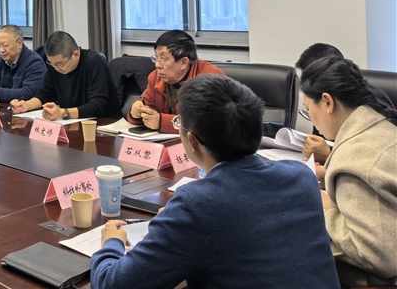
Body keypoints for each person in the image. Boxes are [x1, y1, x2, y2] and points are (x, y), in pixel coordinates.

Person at [91, 74, 339, 289]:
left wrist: (111, 242)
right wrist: (178, 223)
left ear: (192, 140)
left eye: (178, 123)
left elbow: (112, 283)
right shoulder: (302, 176)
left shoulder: (195, 205)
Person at [300, 57, 397, 286]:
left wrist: (324, 205)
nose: (310, 118)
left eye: (307, 110)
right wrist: (328, 173)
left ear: (327, 102)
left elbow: (378, 257)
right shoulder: (380, 124)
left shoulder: (353, 159)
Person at [297, 43, 394, 164]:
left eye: (309, 80)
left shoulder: (372, 104)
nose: (305, 87)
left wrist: (328, 155)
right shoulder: (325, 105)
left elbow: (371, 158)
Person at [128, 30, 223, 133]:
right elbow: (148, 109)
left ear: (183, 63)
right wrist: (136, 114)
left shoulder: (210, 79)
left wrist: (163, 122)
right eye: (156, 57)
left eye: (163, 59)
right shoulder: (155, 77)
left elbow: (209, 124)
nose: (157, 65)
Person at [11, 31, 121, 120]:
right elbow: (46, 93)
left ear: (75, 55)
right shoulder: (54, 64)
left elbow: (99, 106)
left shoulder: (94, 62)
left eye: (59, 64)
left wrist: (63, 113)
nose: (56, 68)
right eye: (51, 63)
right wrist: (26, 105)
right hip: (73, 122)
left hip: (104, 125)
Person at [0, 24, 46, 102]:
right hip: (5, 107)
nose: (1, 50)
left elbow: (29, 93)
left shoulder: (34, 62)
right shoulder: (1, 61)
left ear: (19, 43)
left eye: (5, 45)